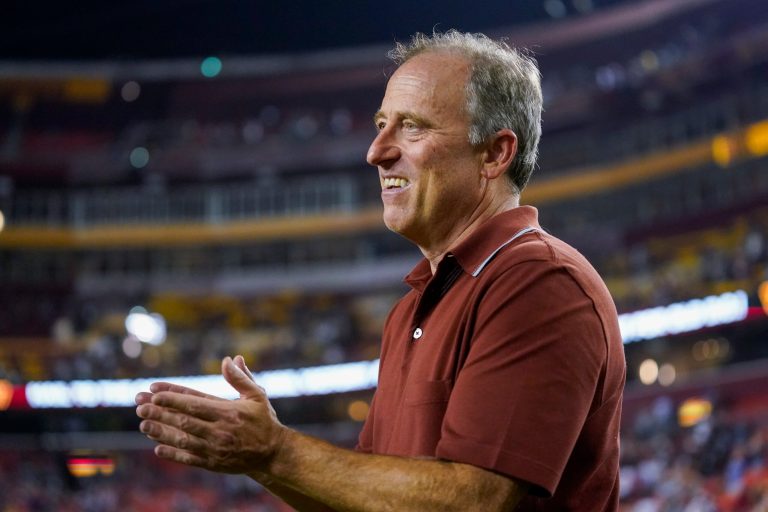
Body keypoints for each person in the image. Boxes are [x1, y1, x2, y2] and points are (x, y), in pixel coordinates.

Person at [135, 30, 626, 511]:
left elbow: (474, 501)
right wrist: (261, 460)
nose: (376, 151)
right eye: (380, 124)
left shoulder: (539, 283)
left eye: (412, 126)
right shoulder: (411, 308)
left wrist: (277, 450)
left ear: (495, 153)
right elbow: (367, 498)